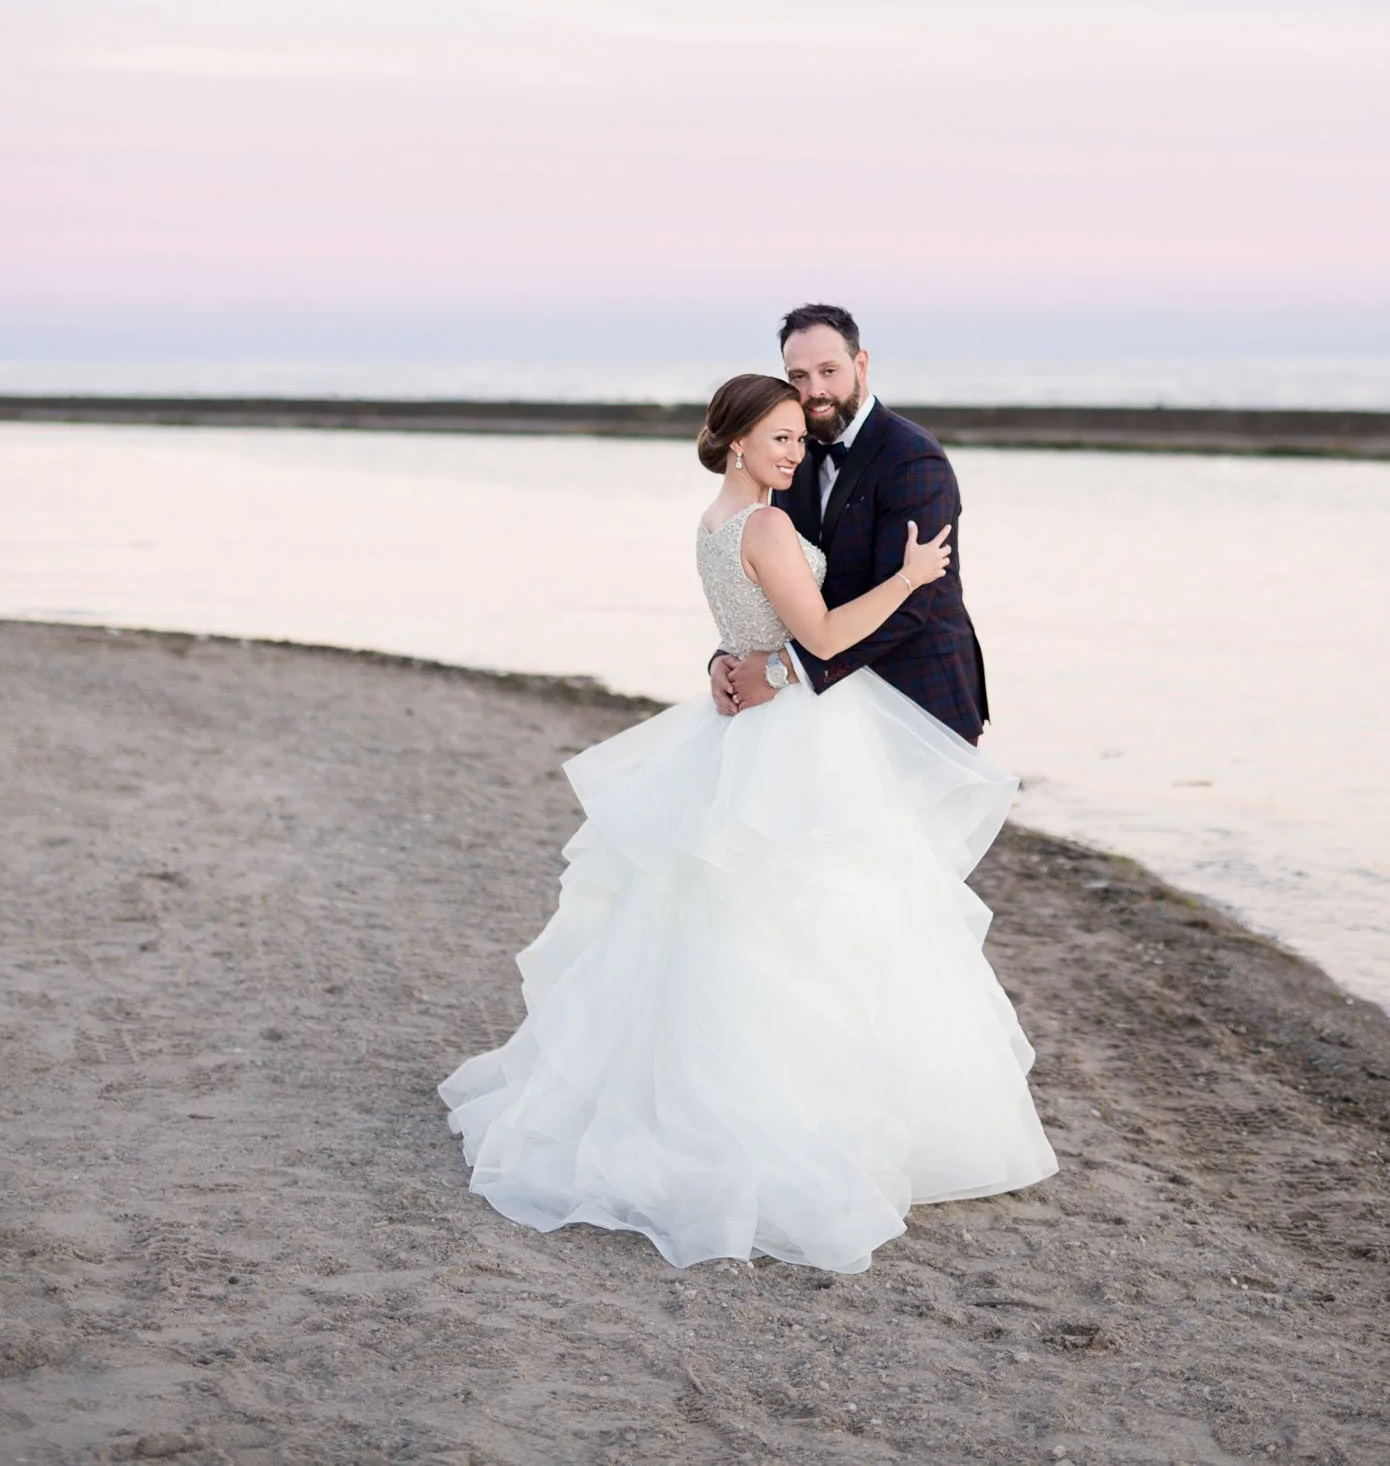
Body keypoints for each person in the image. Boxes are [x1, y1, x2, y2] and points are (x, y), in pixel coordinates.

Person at [439, 364, 1056, 1274]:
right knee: (809, 913)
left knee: (735, 911)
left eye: (799, 440)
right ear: (735, 442)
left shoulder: (714, 522)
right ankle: (795, 1116)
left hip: (751, 725)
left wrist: (736, 658)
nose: (793, 452)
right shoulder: (765, 522)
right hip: (794, 732)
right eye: (778, 438)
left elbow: (751, 626)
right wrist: (912, 574)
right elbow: (826, 637)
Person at [711, 303, 988, 741]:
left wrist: (782, 669)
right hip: (829, 705)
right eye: (798, 376)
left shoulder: (912, 458)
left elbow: (911, 606)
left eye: (828, 371)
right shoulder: (791, 458)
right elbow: (778, 578)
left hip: (916, 699)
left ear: (860, 364)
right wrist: (728, 657)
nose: (814, 390)